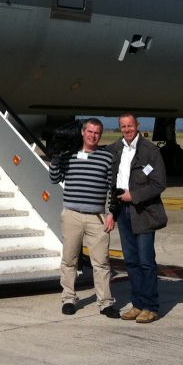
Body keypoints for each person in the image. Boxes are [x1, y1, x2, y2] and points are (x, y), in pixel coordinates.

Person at [49, 118, 120, 318]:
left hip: (97, 217)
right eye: (89, 131)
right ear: (82, 132)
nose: (92, 136)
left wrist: (112, 213)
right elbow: (54, 178)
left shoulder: (106, 158)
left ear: (101, 134)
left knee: (101, 262)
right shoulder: (68, 155)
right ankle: (69, 298)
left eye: (97, 133)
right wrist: (55, 157)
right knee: (69, 259)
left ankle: (105, 303)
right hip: (71, 215)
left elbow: (112, 189)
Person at [107, 113, 167, 323]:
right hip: (123, 212)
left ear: (137, 126)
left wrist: (134, 195)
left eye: (130, 126)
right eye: (123, 126)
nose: (127, 130)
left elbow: (159, 183)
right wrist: (113, 210)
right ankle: (138, 303)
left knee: (145, 262)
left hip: (142, 211)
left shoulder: (150, 151)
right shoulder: (115, 149)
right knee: (131, 262)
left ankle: (151, 306)